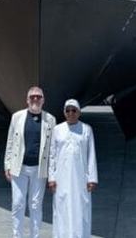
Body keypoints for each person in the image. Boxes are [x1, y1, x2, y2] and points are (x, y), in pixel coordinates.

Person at [3, 86, 55, 238]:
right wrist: (7, 165)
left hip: (39, 169)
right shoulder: (17, 117)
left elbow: (52, 148)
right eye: (32, 96)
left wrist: (52, 173)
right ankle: (17, 236)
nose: (35, 99)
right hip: (19, 168)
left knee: (35, 205)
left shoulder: (50, 120)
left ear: (43, 100)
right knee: (18, 204)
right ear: (27, 100)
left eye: (39, 97)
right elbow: (10, 142)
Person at [48, 99, 97, 238]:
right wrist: (51, 178)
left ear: (79, 112)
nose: (71, 113)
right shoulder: (57, 130)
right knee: (62, 210)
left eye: (74, 110)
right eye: (68, 110)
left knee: (80, 210)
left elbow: (91, 155)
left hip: (81, 179)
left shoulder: (86, 129)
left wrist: (92, 178)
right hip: (61, 179)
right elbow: (52, 155)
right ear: (64, 113)